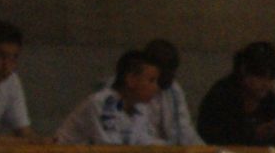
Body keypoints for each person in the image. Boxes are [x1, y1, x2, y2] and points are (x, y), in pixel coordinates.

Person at [58, 48, 195, 147]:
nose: (156, 87)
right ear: (131, 80)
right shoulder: (104, 103)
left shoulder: (140, 108)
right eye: (151, 80)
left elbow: (144, 144)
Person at [197, 42, 275, 147]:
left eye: (270, 78)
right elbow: (215, 137)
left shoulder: (269, 100)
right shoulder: (222, 95)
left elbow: (274, 125)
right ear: (244, 71)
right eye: (260, 77)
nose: (266, 84)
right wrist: (253, 135)